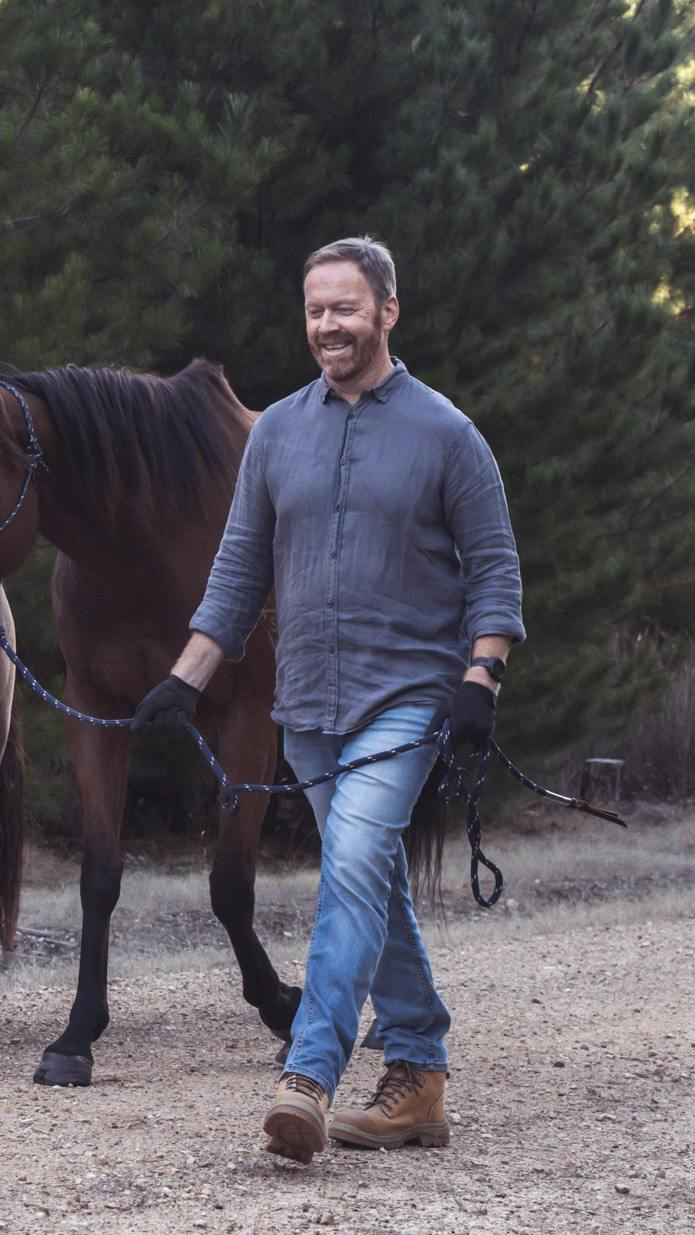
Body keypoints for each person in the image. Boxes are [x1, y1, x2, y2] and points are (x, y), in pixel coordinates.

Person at [131, 236, 524, 1163]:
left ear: (387, 311)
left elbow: (496, 568)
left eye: (345, 308)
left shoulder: (445, 432)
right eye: (315, 310)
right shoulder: (277, 433)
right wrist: (182, 679)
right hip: (307, 702)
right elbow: (237, 575)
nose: (327, 326)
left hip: (408, 693)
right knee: (371, 876)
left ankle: (309, 1074)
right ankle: (419, 1066)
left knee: (350, 864)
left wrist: (482, 673)